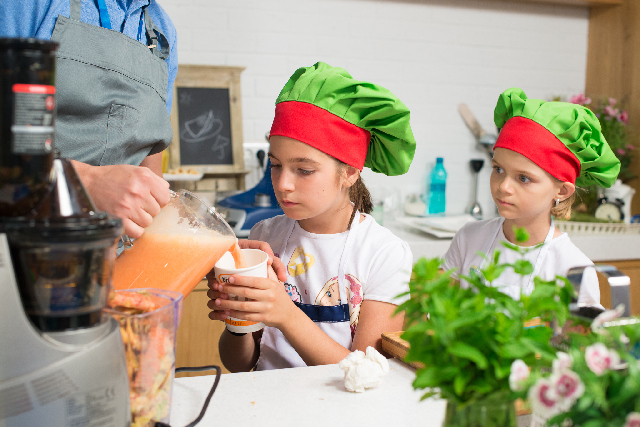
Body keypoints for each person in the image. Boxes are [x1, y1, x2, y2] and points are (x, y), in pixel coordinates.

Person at [207, 62, 417, 371]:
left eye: (303, 170)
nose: (282, 184)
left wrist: (286, 314)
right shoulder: (266, 236)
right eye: (276, 165)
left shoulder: (383, 254)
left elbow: (369, 375)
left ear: (349, 172)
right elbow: (240, 364)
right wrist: (237, 318)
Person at [0, 0, 178, 238]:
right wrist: (86, 183)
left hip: (113, 259)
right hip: (21, 249)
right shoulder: (25, 5)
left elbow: (150, 161)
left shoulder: (162, 29)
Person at [443, 87, 620, 307]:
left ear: (562, 191)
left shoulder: (574, 268)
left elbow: (576, 339)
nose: (504, 186)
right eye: (498, 169)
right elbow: (435, 315)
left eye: (524, 178)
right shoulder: (469, 239)